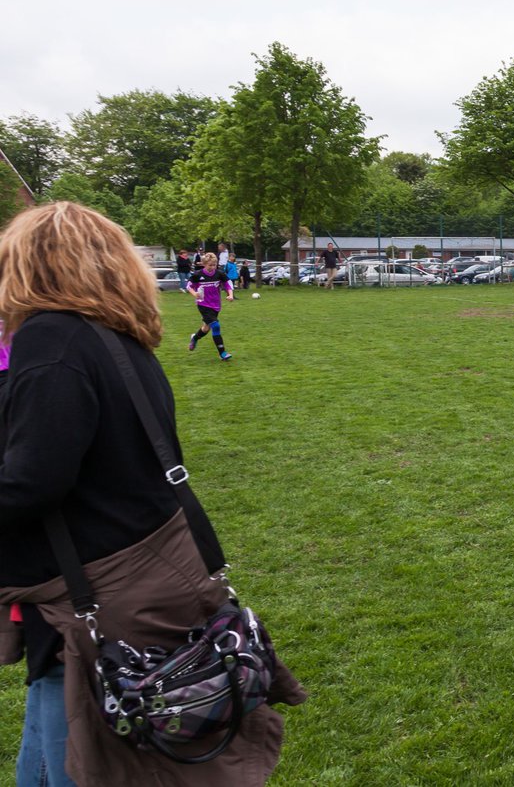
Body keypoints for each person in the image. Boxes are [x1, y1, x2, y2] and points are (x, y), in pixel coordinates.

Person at [0, 202, 303, 787]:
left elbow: (32, 480)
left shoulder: (52, 341)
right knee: (39, 764)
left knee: (79, 766)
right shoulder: (113, 339)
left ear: (30, 266)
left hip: (103, 601)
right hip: (125, 586)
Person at [186, 252, 235, 360]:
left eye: (214, 265)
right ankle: (222, 353)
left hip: (215, 305)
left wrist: (230, 295)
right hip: (202, 304)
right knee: (216, 326)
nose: (212, 267)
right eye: (210, 265)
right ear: (204, 264)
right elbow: (189, 286)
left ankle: (195, 338)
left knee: (206, 328)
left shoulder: (219, 274)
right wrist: (195, 294)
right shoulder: (197, 275)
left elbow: (228, 284)